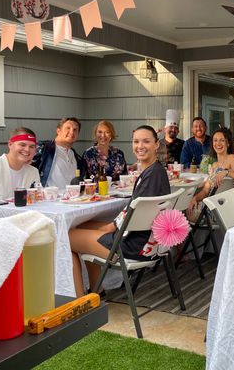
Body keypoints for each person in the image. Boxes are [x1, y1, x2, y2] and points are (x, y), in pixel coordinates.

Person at [69, 125, 170, 296]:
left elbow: (132, 213)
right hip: (145, 241)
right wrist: (105, 227)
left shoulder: (152, 175)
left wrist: (108, 228)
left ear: (156, 145)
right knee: (85, 224)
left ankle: (80, 302)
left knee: (69, 236)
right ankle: (96, 291)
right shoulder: (156, 170)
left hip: (134, 246)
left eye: (146, 141)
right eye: (136, 141)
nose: (140, 146)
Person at [188, 127, 234, 213]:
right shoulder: (214, 165)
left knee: (186, 211)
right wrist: (195, 198)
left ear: (228, 143)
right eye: (215, 140)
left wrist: (227, 172)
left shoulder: (231, 158)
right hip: (212, 205)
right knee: (187, 204)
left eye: (222, 140)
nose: (218, 143)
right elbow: (206, 190)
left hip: (224, 208)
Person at [33, 117, 86, 188]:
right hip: (49, 197)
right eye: (68, 128)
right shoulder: (44, 149)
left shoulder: (78, 159)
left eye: (75, 130)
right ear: (58, 131)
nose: (72, 132)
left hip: (73, 198)